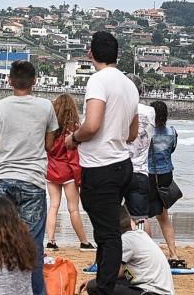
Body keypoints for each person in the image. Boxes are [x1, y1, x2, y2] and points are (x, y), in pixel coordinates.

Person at [66, 32, 140, 295]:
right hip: (122, 165)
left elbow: (93, 125)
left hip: (101, 166)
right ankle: (106, 283)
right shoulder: (129, 85)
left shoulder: (97, 80)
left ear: (90, 54)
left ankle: (104, 288)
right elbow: (132, 133)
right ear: (117, 55)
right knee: (107, 231)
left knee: (107, 235)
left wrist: (73, 138)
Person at [0, 60, 59, 295]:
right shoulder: (46, 106)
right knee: (33, 246)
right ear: (35, 81)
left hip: (4, 179)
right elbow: (49, 145)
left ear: (9, 81)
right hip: (33, 181)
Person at [80, 207, 174, 295]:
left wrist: (93, 281)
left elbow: (112, 273)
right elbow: (122, 273)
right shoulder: (139, 234)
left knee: (94, 286)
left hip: (152, 291)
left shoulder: (125, 240)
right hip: (159, 290)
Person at [46, 93, 97, 251]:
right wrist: (79, 178)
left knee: (53, 206)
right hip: (68, 172)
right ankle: (84, 242)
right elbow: (73, 156)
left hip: (51, 170)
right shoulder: (74, 128)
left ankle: (51, 241)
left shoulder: (50, 129)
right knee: (73, 208)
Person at [147, 101, 183, 268]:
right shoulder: (172, 132)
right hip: (165, 175)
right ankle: (174, 254)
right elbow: (172, 150)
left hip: (148, 174)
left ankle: (147, 255)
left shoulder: (146, 132)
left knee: (141, 215)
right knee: (164, 217)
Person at [124, 75, 156, 231]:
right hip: (141, 171)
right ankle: (145, 248)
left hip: (119, 168)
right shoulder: (150, 112)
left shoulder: (118, 110)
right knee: (141, 217)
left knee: (116, 214)